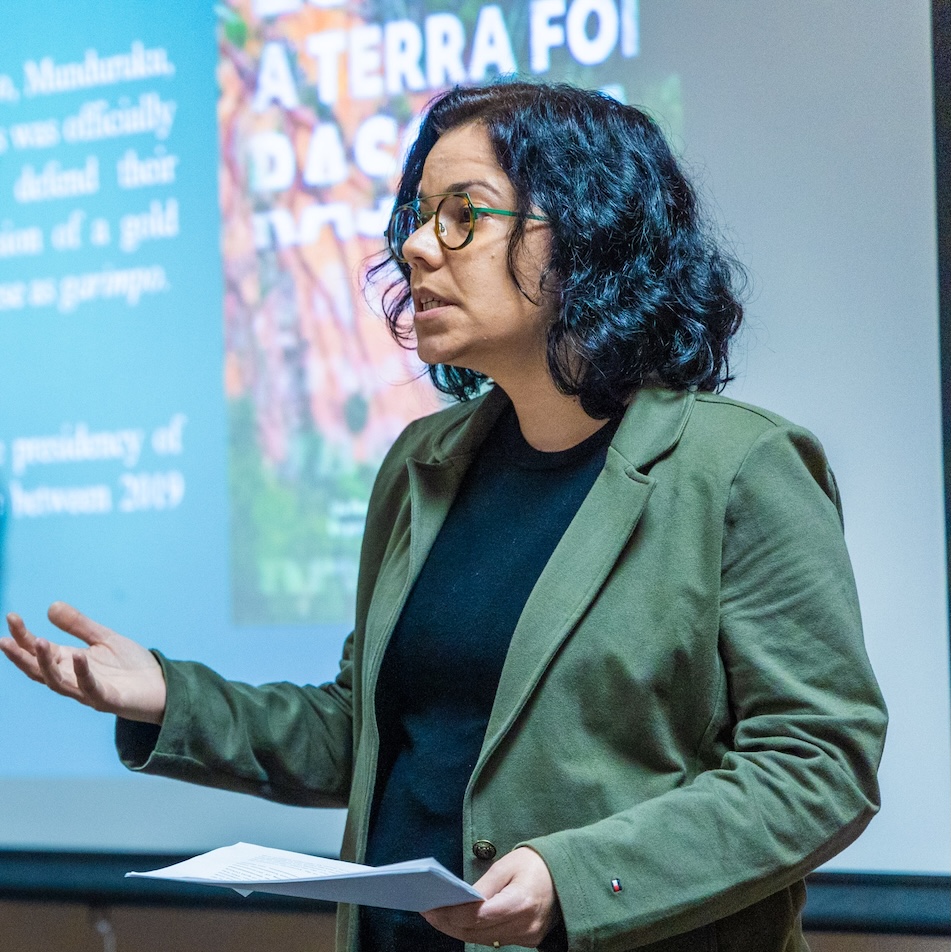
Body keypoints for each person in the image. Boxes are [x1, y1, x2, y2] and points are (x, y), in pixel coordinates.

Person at [1, 81, 886, 952]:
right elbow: (365, 736)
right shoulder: (424, 463)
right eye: (418, 218)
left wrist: (573, 881)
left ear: (587, 233)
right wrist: (167, 697)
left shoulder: (736, 469)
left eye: (463, 214)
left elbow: (816, 769)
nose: (420, 248)